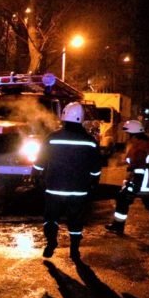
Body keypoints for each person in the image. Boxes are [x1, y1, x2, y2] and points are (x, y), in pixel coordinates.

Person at [32, 101, 102, 261]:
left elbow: (40, 161)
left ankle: (51, 244)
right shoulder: (90, 141)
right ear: (82, 119)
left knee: (51, 219)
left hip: (54, 188)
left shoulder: (52, 138)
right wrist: (93, 182)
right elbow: (96, 167)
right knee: (76, 221)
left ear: (63, 116)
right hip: (79, 190)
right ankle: (74, 250)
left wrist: (36, 175)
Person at [104, 120, 149, 239]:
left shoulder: (139, 148)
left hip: (140, 183)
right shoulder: (144, 145)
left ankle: (118, 226)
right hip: (146, 182)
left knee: (124, 199)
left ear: (133, 134)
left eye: (128, 134)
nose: (128, 137)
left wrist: (134, 187)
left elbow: (139, 169)